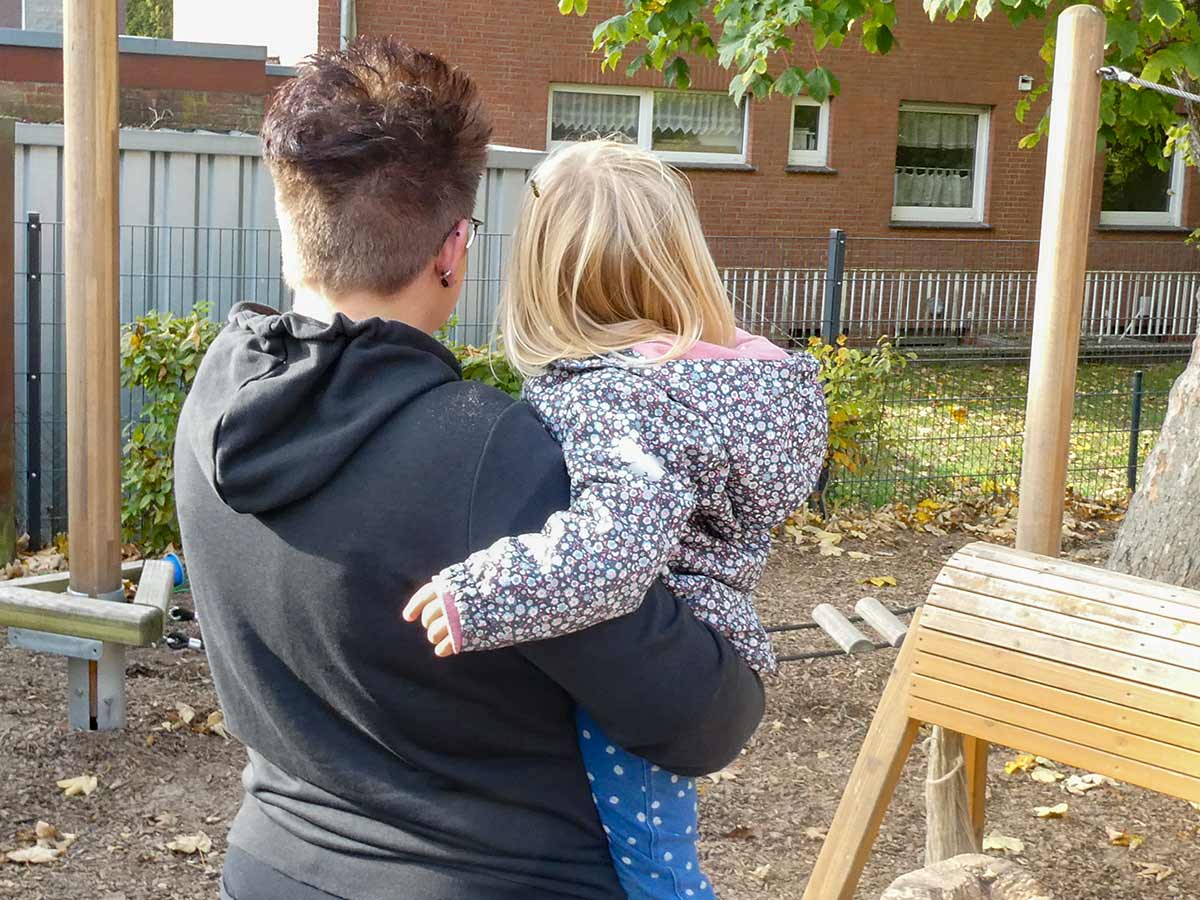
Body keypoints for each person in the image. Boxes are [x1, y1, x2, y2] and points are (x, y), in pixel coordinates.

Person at [173, 36, 765, 900]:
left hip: (270, 866)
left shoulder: (213, 404)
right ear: (453, 251)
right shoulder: (498, 455)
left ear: (294, 226)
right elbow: (699, 721)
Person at [402, 141, 828, 899]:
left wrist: (483, 593)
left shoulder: (619, 395)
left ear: (544, 281)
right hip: (709, 642)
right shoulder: (733, 378)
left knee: (655, 862)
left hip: (655, 660)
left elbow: (613, 548)